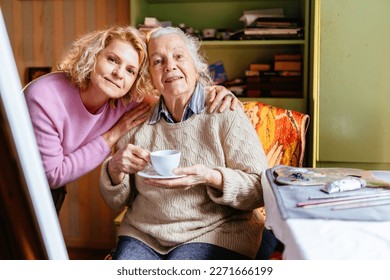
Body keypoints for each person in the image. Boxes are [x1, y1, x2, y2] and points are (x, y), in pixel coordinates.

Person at [23, 25, 239, 212]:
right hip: (13, 181)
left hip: (48, 190)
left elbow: (173, 92)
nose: (119, 74)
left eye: (130, 70)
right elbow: (53, 174)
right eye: (112, 60)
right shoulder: (44, 97)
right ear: (93, 55)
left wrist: (213, 92)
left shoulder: (125, 98)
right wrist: (112, 135)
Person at [100, 27, 268, 260]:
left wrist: (211, 177)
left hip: (214, 231)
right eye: (158, 61)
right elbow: (116, 201)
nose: (169, 66)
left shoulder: (224, 111)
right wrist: (114, 169)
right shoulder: (137, 119)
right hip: (143, 234)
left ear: (197, 67)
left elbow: (260, 190)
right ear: (149, 75)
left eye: (178, 56)